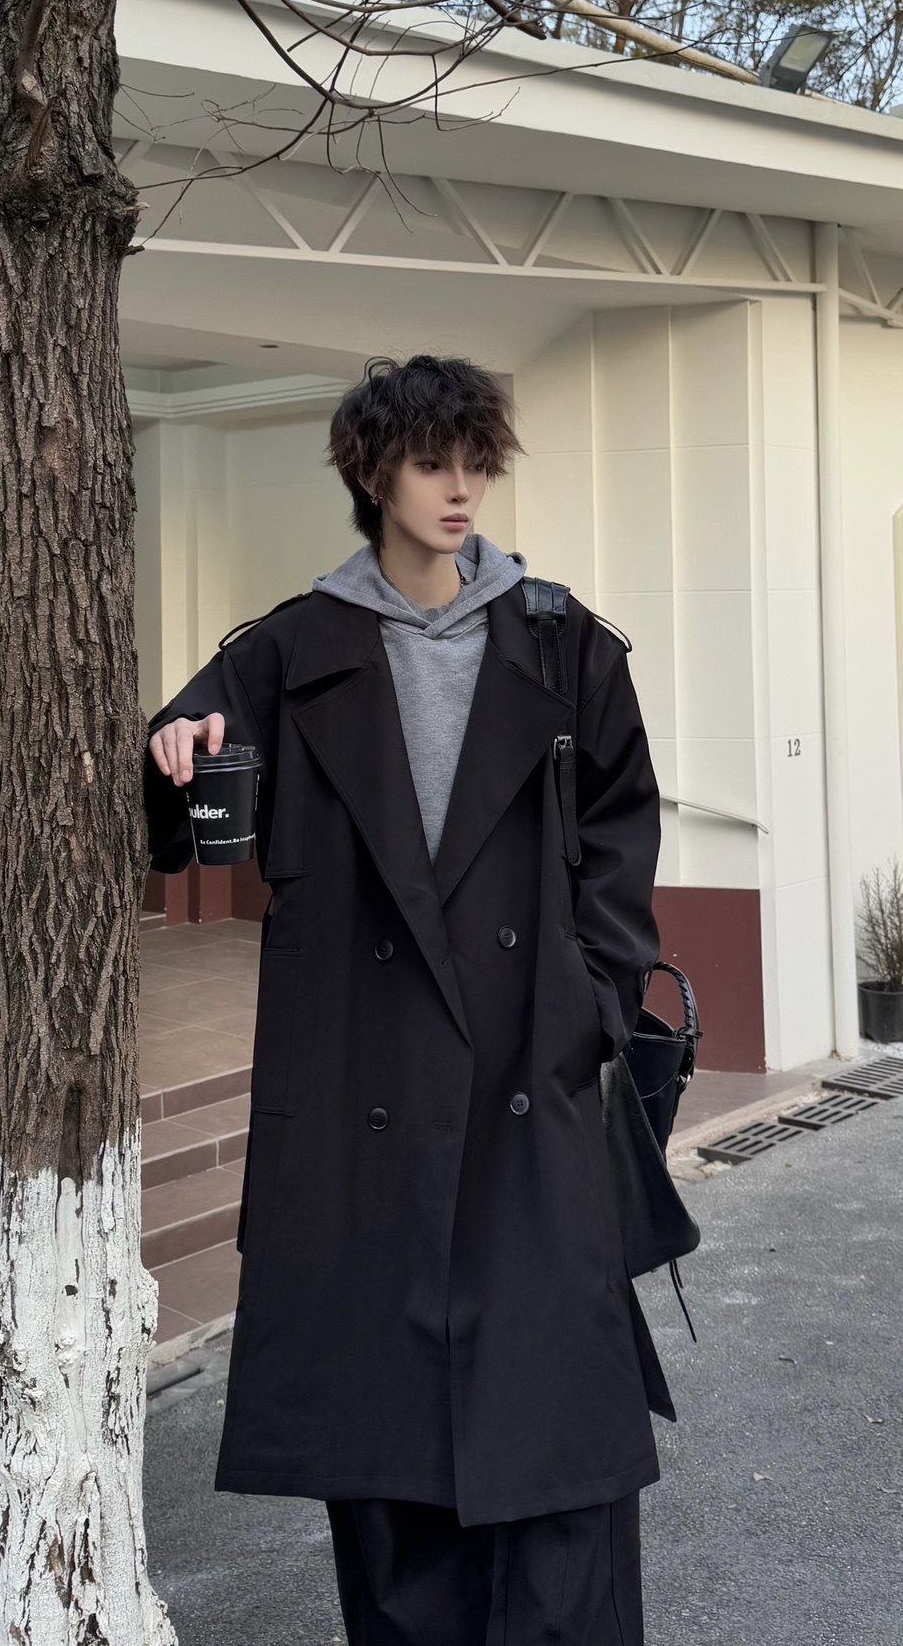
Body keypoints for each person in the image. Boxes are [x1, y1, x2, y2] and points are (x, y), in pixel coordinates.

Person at [143, 354, 675, 1644]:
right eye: (434, 462)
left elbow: (622, 828)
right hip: (359, 1089)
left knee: (557, 1433)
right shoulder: (290, 648)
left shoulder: (561, 641)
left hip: (526, 1079)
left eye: (476, 463)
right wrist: (173, 754)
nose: (460, 488)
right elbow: (183, 814)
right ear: (372, 473)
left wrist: (590, 1002)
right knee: (390, 1453)